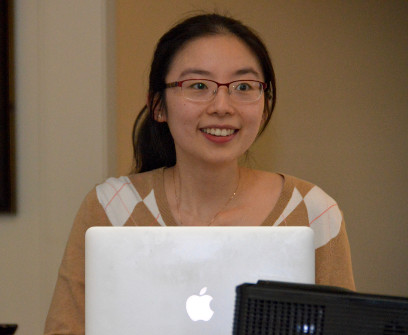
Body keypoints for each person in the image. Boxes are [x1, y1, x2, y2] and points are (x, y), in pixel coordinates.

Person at [44, 13, 355, 335]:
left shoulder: (313, 212)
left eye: (244, 86)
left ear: (264, 106)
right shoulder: (111, 208)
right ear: (158, 106)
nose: (222, 105)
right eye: (198, 86)